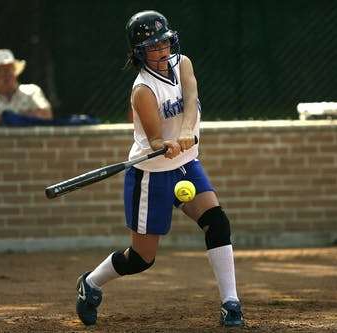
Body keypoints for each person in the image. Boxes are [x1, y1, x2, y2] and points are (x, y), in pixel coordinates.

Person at [75, 10, 244, 328]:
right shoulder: (143, 90)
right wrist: (161, 144)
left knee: (217, 223)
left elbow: (191, 98)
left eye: (164, 42)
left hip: (187, 163)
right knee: (141, 259)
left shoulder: (183, 63)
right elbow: (154, 139)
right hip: (151, 174)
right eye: (153, 46)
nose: (162, 50)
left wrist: (186, 131)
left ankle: (231, 303)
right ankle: (91, 283)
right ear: (139, 53)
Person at [0, 49, 53, 127]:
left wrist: (10, 118)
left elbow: (46, 115)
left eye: (9, 69)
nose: (5, 75)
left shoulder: (32, 91)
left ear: (15, 72)